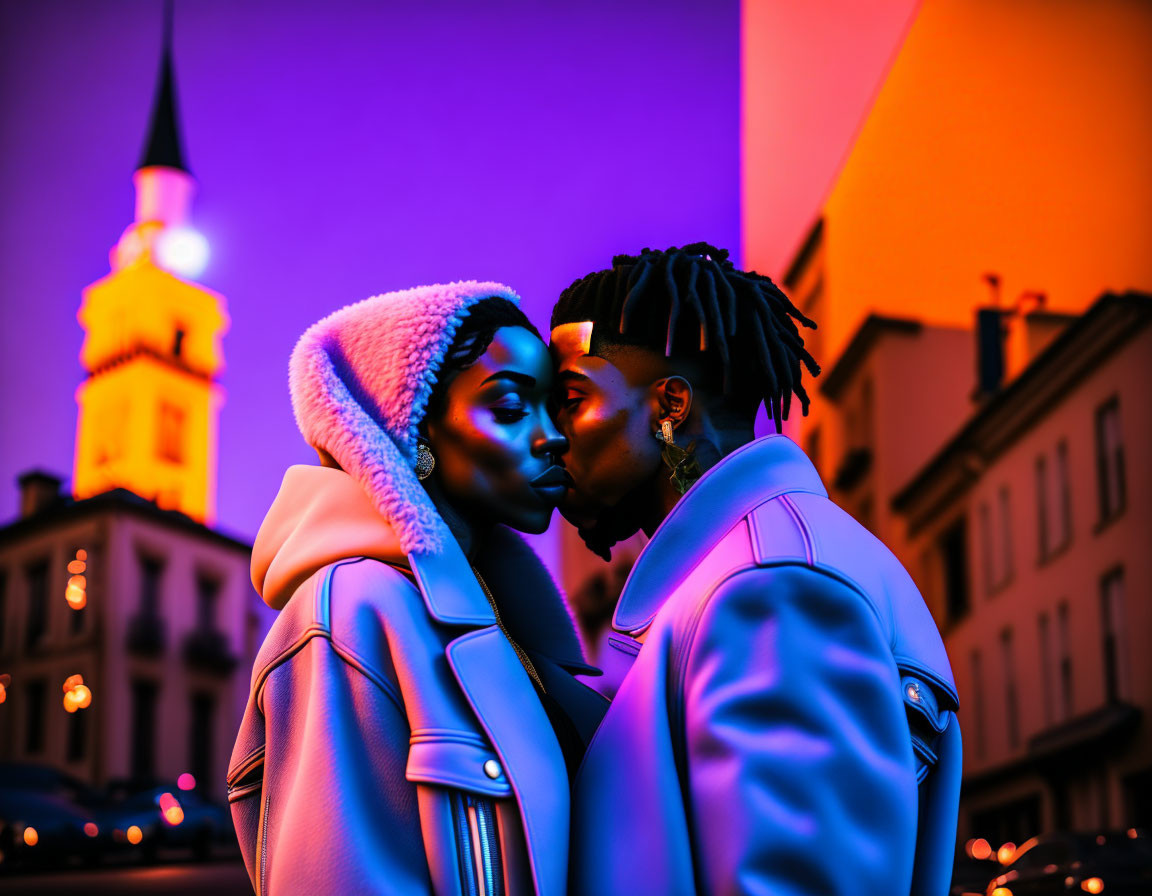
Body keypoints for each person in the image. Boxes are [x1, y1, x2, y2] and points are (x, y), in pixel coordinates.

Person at [549, 245, 961, 896]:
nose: (548, 435)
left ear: (669, 407)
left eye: (571, 399)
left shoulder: (772, 587)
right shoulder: (747, 573)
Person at [228, 282, 607, 896]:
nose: (551, 437)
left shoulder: (504, 627)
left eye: (553, 408)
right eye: (511, 408)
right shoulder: (349, 613)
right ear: (417, 432)